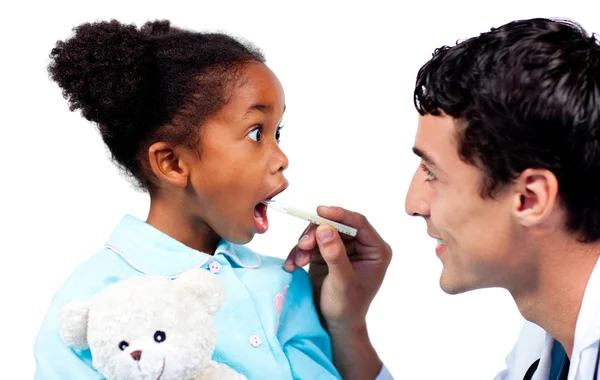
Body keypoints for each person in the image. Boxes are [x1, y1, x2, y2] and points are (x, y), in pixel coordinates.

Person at [285, 17, 600, 380]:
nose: (413, 204)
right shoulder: (546, 343)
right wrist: (348, 327)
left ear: (530, 198)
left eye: (432, 173)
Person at [34, 19, 341, 379]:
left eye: (278, 133)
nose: (282, 158)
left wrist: (346, 317)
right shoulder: (86, 301)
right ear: (173, 163)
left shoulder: (287, 283)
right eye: (257, 132)